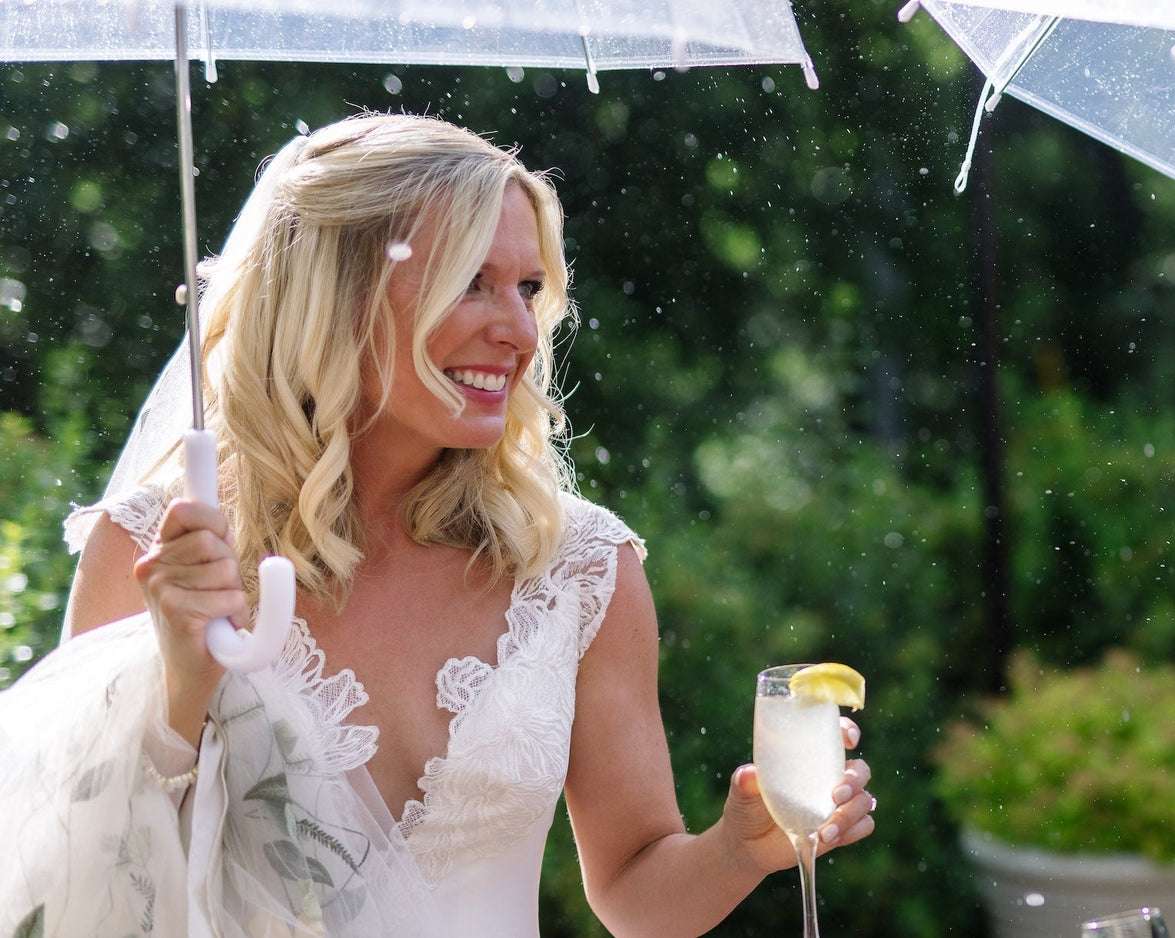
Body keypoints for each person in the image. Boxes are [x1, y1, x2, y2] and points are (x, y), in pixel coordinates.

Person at [0, 114, 875, 937]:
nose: (517, 331)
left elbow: (636, 894)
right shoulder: (165, 551)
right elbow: (82, 877)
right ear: (335, 297)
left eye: (527, 287)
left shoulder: (578, 569)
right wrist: (181, 680)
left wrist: (736, 849)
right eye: (471, 285)